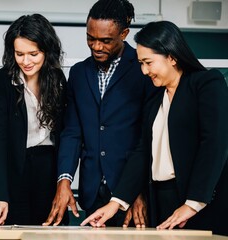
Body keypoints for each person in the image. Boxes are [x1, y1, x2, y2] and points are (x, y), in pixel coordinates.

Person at [81, 20, 228, 236]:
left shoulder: (206, 84)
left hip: (199, 201)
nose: (144, 71)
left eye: (148, 62)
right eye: (141, 63)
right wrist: (115, 203)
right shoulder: (155, 99)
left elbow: (215, 143)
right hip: (160, 199)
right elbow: (142, 152)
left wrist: (193, 203)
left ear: (171, 56)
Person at [43, 0, 158, 227]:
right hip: (93, 192)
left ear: (124, 34)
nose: (96, 46)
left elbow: (149, 137)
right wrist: (64, 179)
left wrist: (137, 189)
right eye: (90, 38)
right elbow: (72, 132)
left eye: (105, 41)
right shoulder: (78, 73)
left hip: (132, 194)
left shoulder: (143, 69)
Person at [0, 13, 68, 225]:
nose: (25, 61)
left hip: (49, 168)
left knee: (51, 230)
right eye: (19, 54)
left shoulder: (57, 78)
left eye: (33, 54)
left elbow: (65, 132)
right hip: (15, 169)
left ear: (47, 50)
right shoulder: (2, 81)